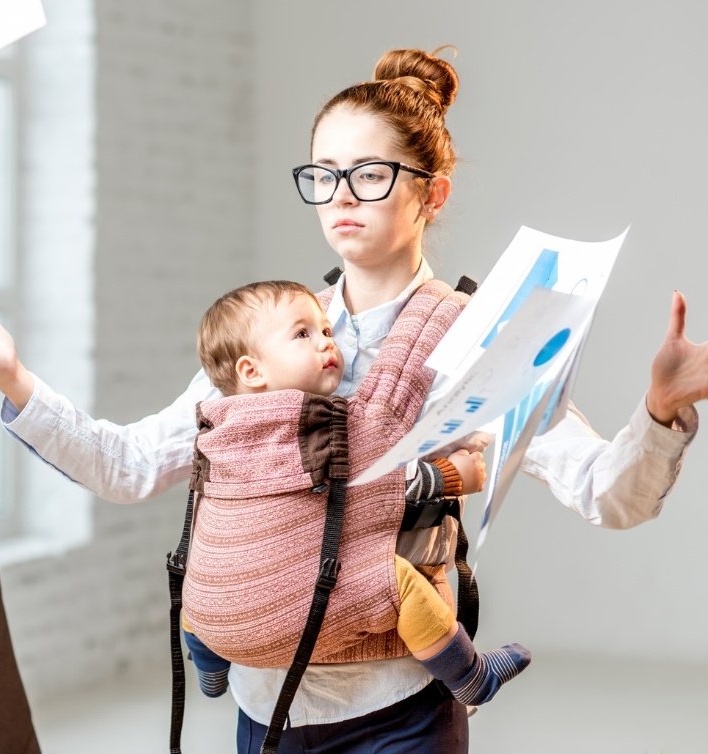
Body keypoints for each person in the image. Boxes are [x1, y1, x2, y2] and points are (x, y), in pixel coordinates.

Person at [0, 46, 708, 754]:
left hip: (394, 717)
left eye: (369, 173)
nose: (342, 197)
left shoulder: (482, 339)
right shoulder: (271, 337)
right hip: (264, 717)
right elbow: (128, 466)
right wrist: (11, 376)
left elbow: (609, 494)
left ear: (431, 192)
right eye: (323, 175)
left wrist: (661, 410)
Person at [184, 277, 528, 706]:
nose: (327, 343)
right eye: (302, 334)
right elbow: (369, 486)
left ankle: (210, 670)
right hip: (287, 621)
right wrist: (451, 476)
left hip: (216, 625)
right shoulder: (309, 423)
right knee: (400, 581)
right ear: (251, 370)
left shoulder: (215, 429)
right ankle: (470, 674)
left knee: (202, 572)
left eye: (327, 331)